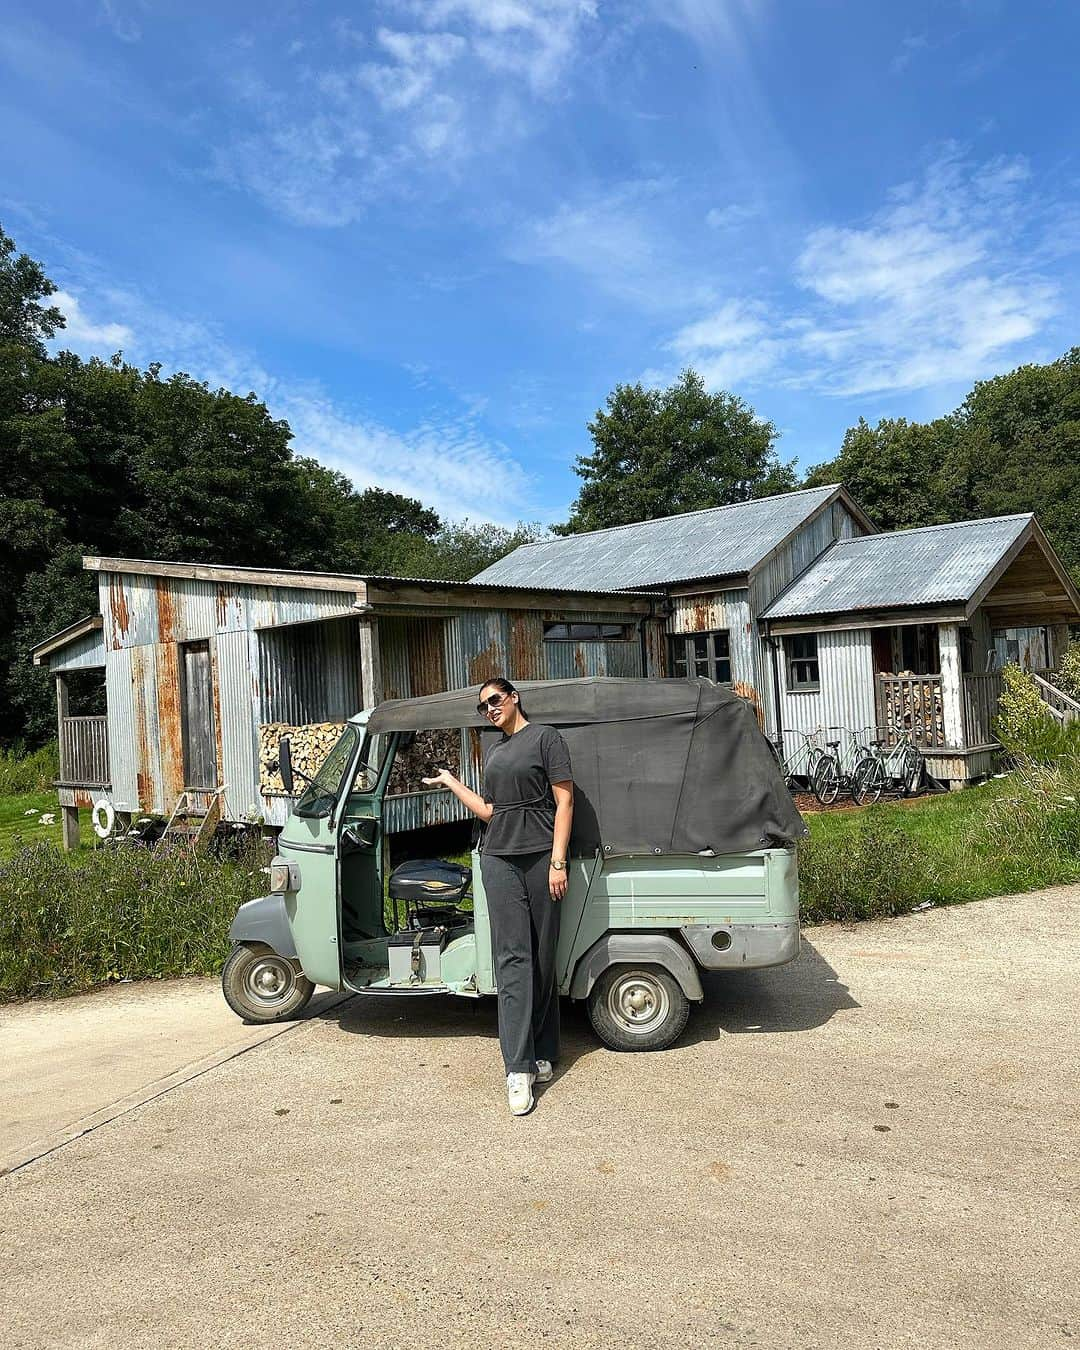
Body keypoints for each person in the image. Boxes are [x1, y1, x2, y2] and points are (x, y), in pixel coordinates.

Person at [422, 678, 573, 1116]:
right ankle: (517, 1068)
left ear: (513, 697)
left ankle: (543, 1052)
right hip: (500, 859)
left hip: (542, 857)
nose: (489, 709)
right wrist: (452, 781)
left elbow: (565, 804)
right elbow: (491, 811)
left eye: (494, 700)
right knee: (513, 960)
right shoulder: (496, 752)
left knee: (544, 959)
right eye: (483, 706)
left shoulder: (545, 739)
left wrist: (558, 861)